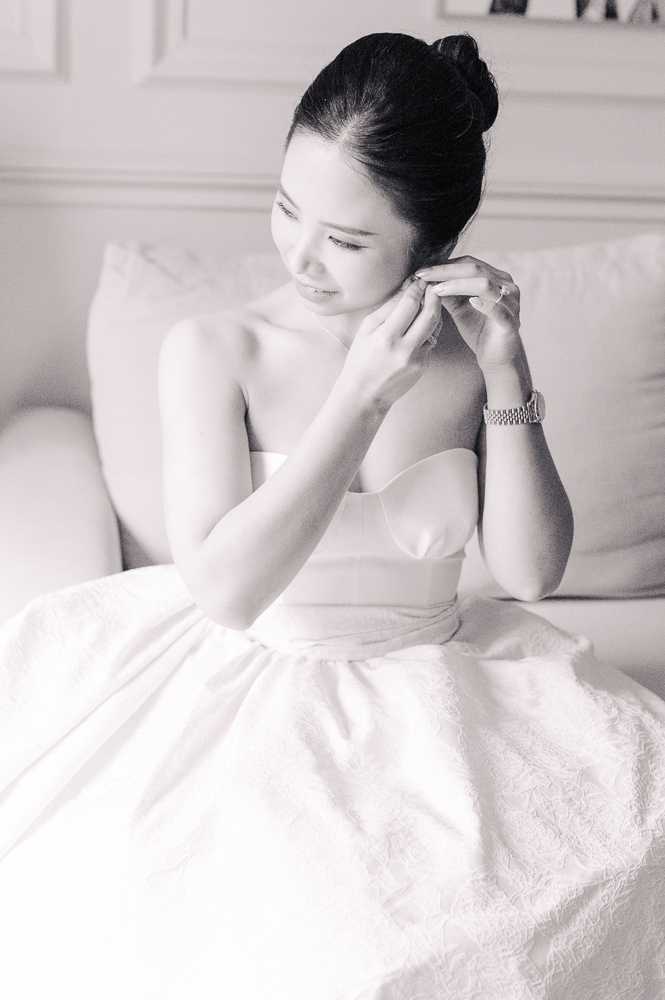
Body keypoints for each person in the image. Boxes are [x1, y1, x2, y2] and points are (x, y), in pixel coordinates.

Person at [1, 31, 664, 1000]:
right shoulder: (213, 348)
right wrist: (355, 398)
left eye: (347, 241)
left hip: (440, 693)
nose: (301, 256)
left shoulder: (459, 360)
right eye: (285, 208)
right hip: (257, 687)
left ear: (429, 247)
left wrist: (506, 372)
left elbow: (527, 571)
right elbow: (226, 588)